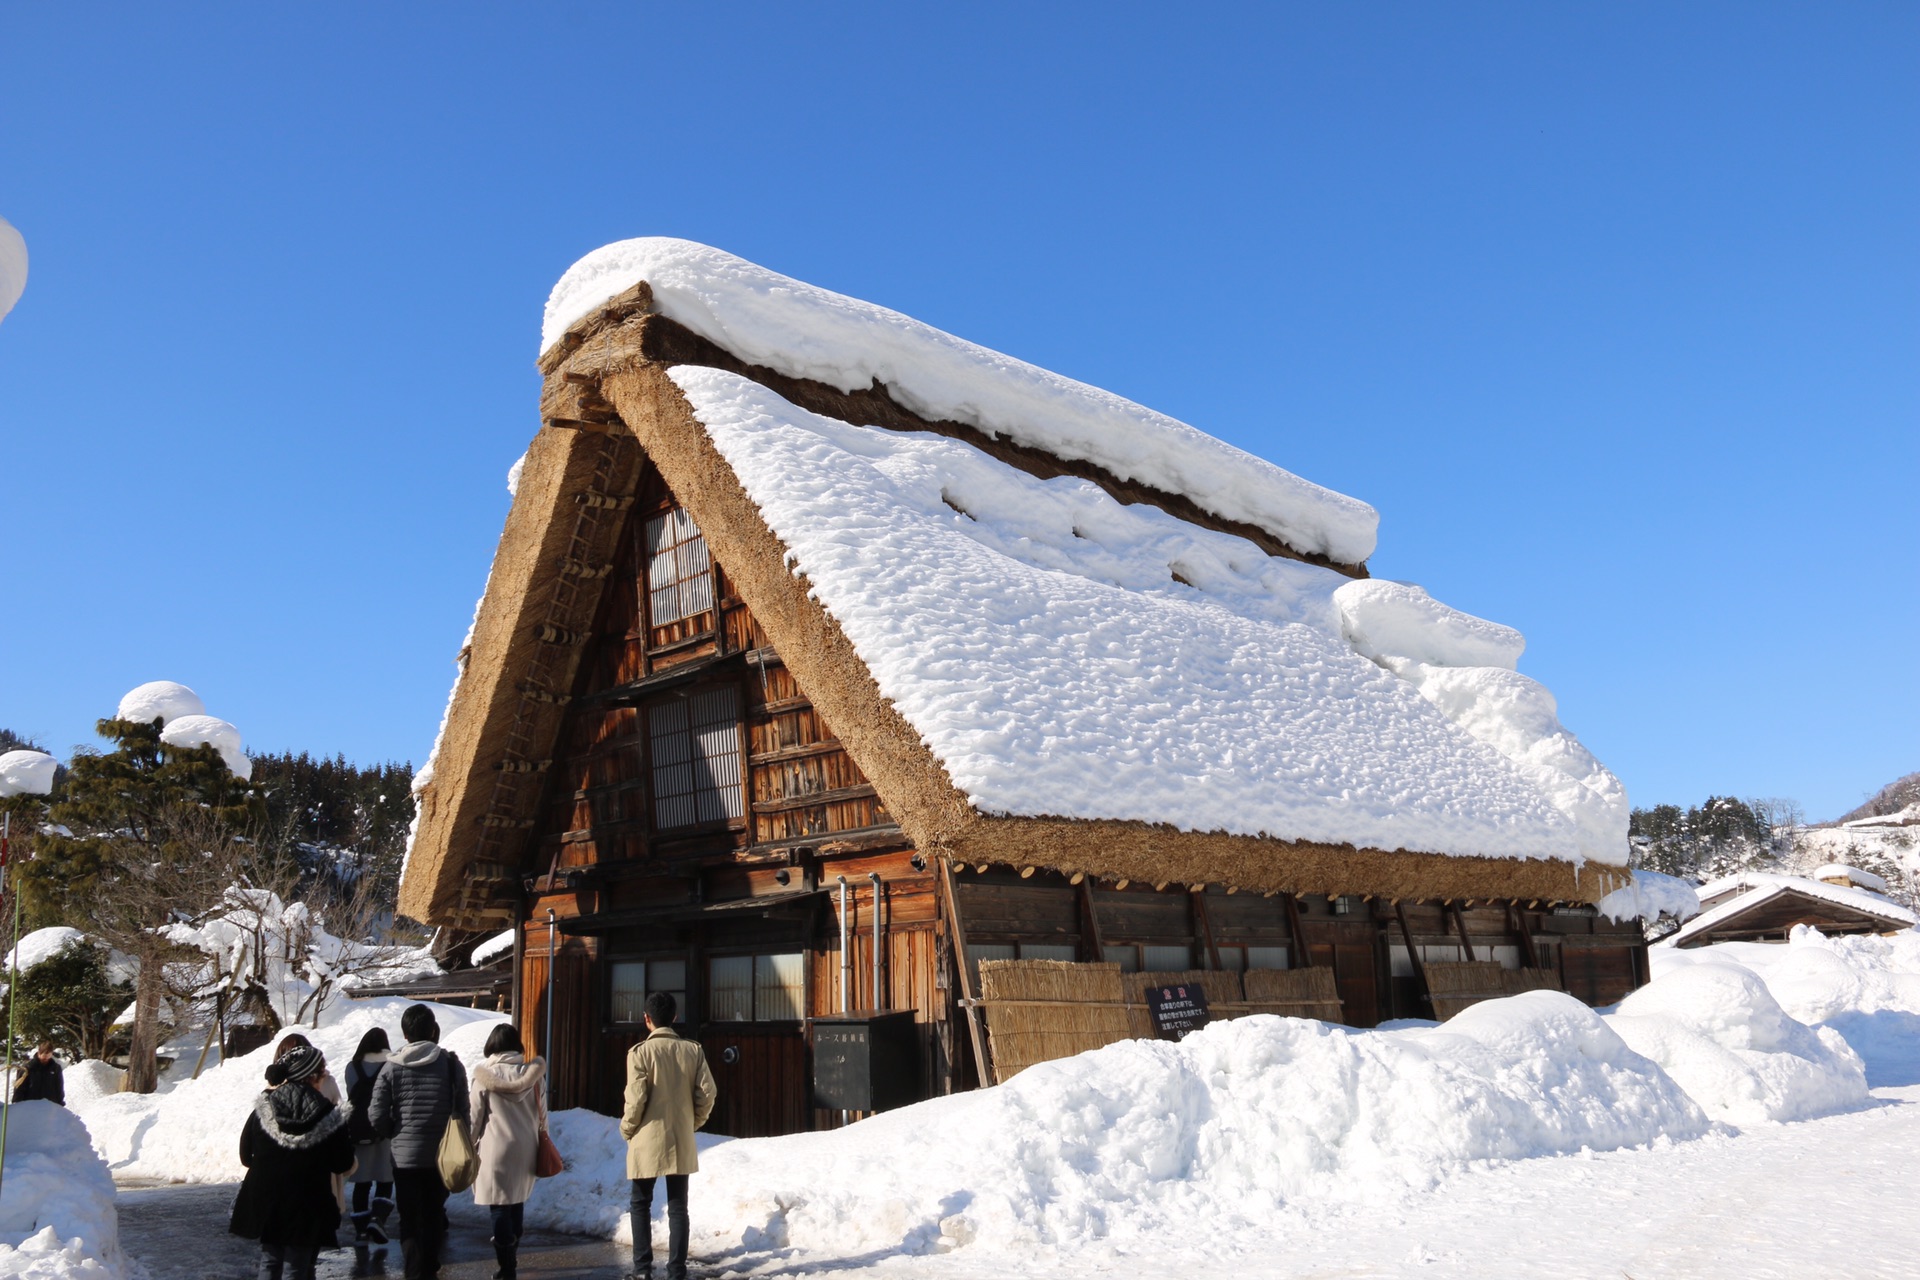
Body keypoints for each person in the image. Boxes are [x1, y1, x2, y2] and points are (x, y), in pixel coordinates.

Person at [229, 1043, 357, 1280]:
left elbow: (246, 1156)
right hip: (308, 1201)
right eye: (323, 1073)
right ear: (313, 1076)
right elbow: (342, 1163)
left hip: (268, 1199)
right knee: (296, 1266)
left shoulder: (263, 1108)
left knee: (270, 1260)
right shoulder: (329, 1113)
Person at [370, 1004, 469, 1280]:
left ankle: (414, 1272)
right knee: (434, 1214)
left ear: (405, 1034)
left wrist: (394, 1132)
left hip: (405, 1158)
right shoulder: (450, 1063)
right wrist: (464, 1142)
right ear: (434, 1030)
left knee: (410, 1218)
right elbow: (463, 1108)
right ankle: (429, 1268)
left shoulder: (391, 1068)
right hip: (442, 1155)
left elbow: (375, 1113)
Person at [621, 992, 716, 1280]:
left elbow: (636, 1099)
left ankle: (642, 1270)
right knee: (678, 1206)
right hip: (680, 1136)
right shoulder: (693, 1050)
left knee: (640, 1203)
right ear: (675, 1018)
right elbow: (708, 1092)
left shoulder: (639, 1053)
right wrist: (693, 1122)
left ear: (646, 1019)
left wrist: (627, 1128)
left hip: (645, 1137)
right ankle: (676, 1271)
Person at [470, 1023, 548, 1280]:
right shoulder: (535, 1075)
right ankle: (512, 1251)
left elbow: (474, 1119)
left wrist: (469, 1146)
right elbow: (542, 1115)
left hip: (495, 1149)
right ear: (517, 1046)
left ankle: (507, 1266)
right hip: (526, 1147)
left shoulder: (484, 1077)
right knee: (516, 1201)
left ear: (492, 1046)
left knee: (499, 1207)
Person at [344, 1027, 397, 1246]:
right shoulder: (392, 1065)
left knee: (362, 1182)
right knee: (385, 1178)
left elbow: (351, 1095)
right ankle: (378, 1219)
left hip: (358, 1131)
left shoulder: (352, 1066)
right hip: (384, 1130)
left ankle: (361, 1233)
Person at [13, 1041, 65, 1105]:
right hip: (30, 1105)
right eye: (44, 1057)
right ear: (39, 1053)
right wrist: (17, 1104)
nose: (46, 1059)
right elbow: (19, 1089)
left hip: (50, 1106)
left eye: (48, 1056)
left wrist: (60, 1103)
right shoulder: (27, 1068)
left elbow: (59, 1088)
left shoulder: (55, 1068)